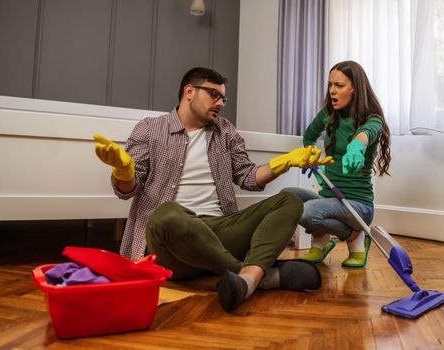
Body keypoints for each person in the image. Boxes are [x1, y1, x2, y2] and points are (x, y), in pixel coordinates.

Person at [93, 67, 332, 312]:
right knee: (166, 214)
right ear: (189, 92)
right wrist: (123, 173)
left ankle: (246, 281)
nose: (220, 103)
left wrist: (284, 162)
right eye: (213, 94)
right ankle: (258, 275)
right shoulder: (151, 128)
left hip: (219, 233)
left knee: (290, 200)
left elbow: (247, 177)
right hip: (170, 242)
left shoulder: (226, 131)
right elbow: (128, 190)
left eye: (223, 98)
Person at [282, 60, 391, 268]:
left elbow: (366, 134)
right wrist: (312, 155)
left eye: (339, 85)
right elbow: (310, 136)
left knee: (308, 212)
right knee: (289, 196)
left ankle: (354, 236)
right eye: (330, 84)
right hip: (330, 198)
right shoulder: (328, 114)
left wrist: (356, 147)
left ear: (355, 88)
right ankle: (321, 244)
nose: (332, 90)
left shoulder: (372, 119)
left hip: (358, 206)